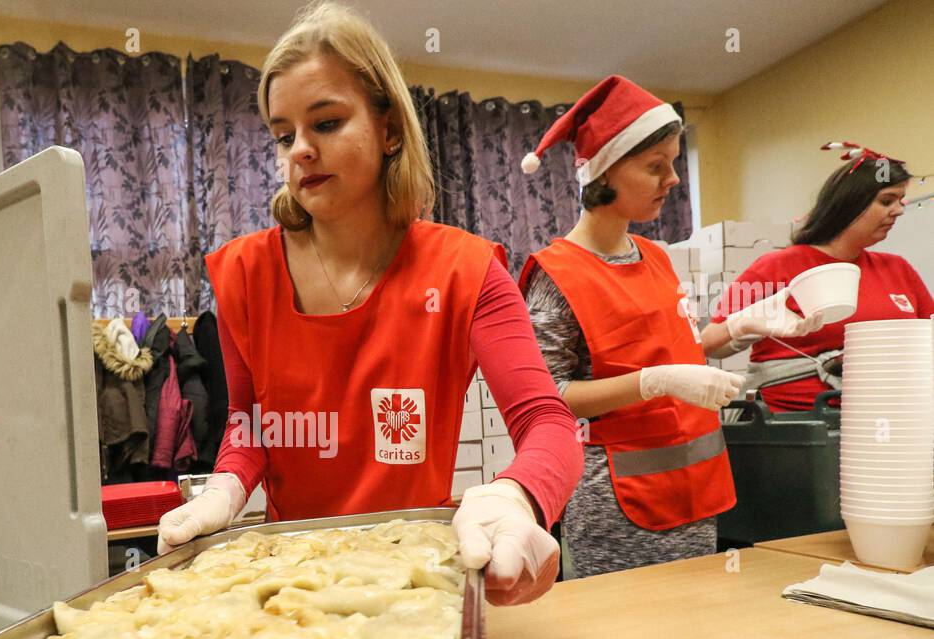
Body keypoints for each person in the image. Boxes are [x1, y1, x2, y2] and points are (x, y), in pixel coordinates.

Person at [157, 1, 583, 605]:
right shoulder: (245, 276)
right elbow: (251, 426)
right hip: (293, 583)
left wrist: (516, 495)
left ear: (388, 129)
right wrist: (224, 490)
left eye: (325, 123)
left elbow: (548, 422)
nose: (299, 149)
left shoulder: (464, 271)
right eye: (283, 135)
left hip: (416, 581)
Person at [519, 75, 740, 578]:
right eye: (655, 166)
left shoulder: (657, 257)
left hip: (695, 489)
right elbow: (547, 393)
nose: (674, 180)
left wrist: (743, 326)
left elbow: (676, 347)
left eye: (676, 164)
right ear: (602, 174)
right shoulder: (557, 274)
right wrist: (652, 383)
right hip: (619, 503)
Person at [704, 144, 934, 411]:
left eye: (901, 201)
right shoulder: (777, 267)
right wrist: (742, 326)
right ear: (850, 203)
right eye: (886, 201)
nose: (898, 210)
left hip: (887, 420)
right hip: (798, 428)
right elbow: (710, 344)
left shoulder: (898, 269)